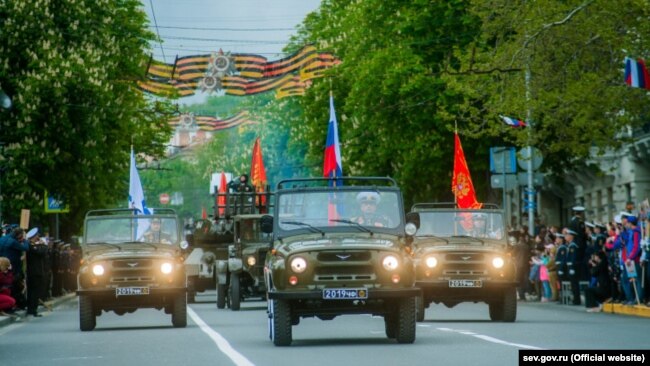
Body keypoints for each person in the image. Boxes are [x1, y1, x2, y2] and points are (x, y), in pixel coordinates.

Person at [25, 229, 49, 317]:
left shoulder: (33, 245)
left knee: (34, 292)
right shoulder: (31, 246)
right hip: (34, 272)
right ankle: (32, 309)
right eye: (36, 236)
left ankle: (32, 309)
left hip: (35, 272)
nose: (38, 238)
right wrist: (44, 244)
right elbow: (42, 252)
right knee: (34, 292)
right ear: (33, 237)